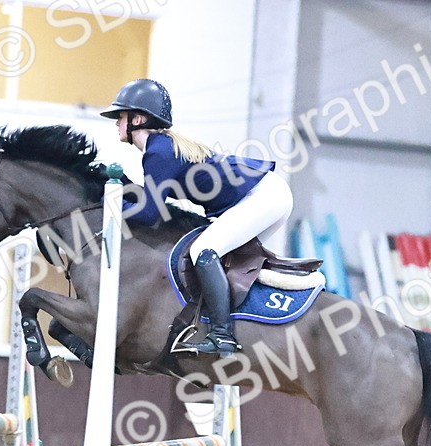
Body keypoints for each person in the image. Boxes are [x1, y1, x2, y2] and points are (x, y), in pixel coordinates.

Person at [101, 78, 293, 356]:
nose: (116, 123)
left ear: (137, 119)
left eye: (120, 117)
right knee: (225, 257)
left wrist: (111, 210)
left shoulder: (158, 152)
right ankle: (235, 325)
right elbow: (151, 199)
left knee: (204, 250)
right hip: (269, 195)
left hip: (264, 197)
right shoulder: (162, 147)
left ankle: (222, 335)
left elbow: (151, 212)